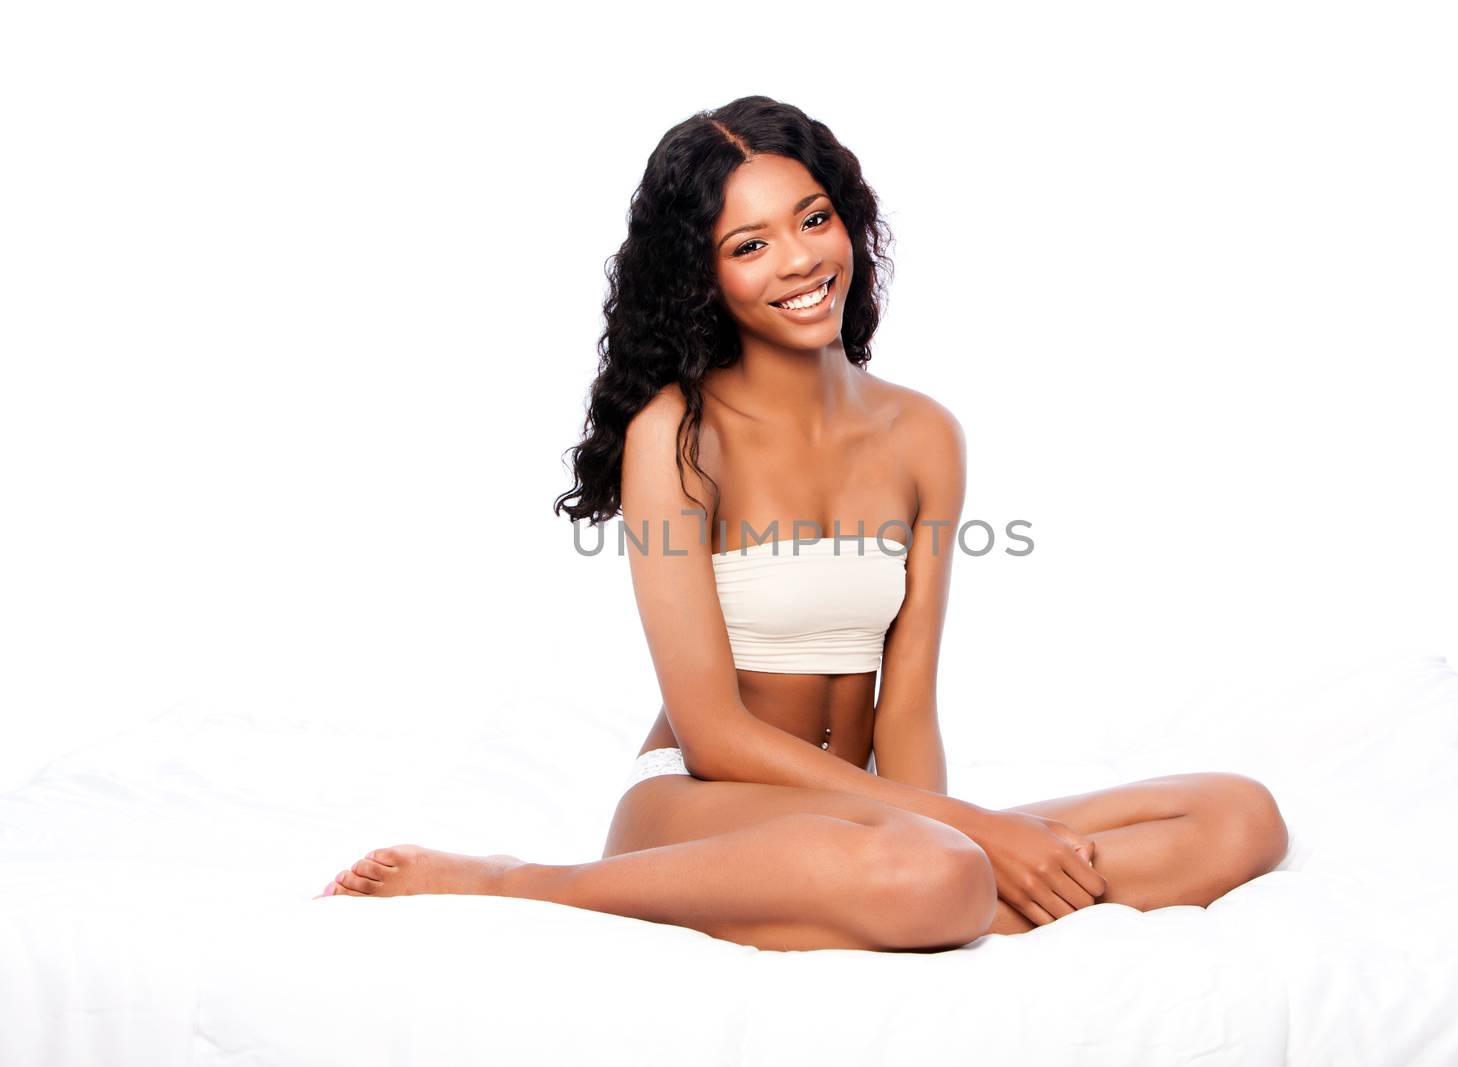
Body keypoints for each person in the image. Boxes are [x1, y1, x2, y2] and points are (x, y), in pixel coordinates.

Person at [318, 95, 1289, 952]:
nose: (798, 260)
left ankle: (886, 900)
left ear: (847, 222)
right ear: (702, 276)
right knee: (941, 871)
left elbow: (905, 705)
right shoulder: (677, 436)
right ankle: (519, 881)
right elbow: (711, 731)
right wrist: (971, 840)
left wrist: (958, 831)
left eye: (811, 219)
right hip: (699, 804)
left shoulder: (924, 434)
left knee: (1237, 816)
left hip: (859, 814)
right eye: (749, 245)